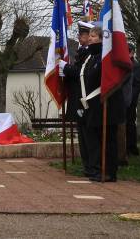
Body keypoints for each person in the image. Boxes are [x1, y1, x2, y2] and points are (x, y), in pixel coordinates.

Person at [79, 26, 126, 182]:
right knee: (96, 140)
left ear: (101, 38)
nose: (90, 38)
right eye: (90, 36)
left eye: (93, 36)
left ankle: (109, 171)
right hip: (94, 105)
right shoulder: (92, 57)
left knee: (108, 140)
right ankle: (97, 168)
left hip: (107, 105)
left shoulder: (105, 57)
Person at [60, 20, 94, 176]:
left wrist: (66, 68)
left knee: (88, 136)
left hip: (85, 99)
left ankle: (91, 166)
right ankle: (87, 165)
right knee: (82, 135)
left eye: (83, 34)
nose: (80, 37)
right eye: (80, 34)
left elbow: (81, 72)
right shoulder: (82, 51)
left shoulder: (89, 53)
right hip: (77, 98)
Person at [126, 43, 140, 156]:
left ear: (132, 52)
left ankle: (131, 147)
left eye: (128, 51)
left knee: (130, 123)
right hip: (123, 99)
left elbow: (138, 85)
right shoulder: (124, 64)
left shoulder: (136, 66)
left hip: (131, 100)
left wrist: (131, 97)